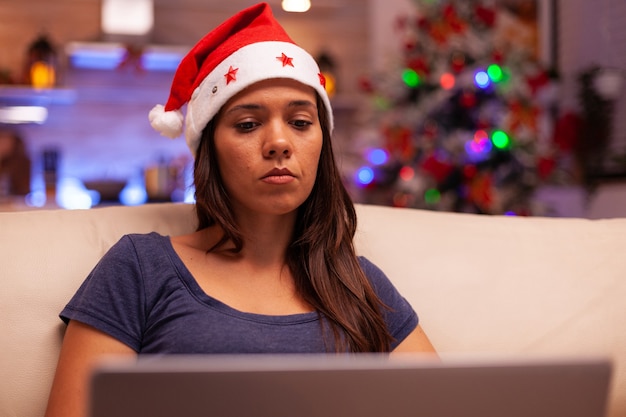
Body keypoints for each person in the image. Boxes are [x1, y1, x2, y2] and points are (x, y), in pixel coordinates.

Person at [44, 3, 437, 417]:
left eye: (301, 122)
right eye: (248, 124)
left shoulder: (358, 283)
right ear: (209, 148)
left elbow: (449, 401)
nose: (279, 143)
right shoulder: (139, 268)